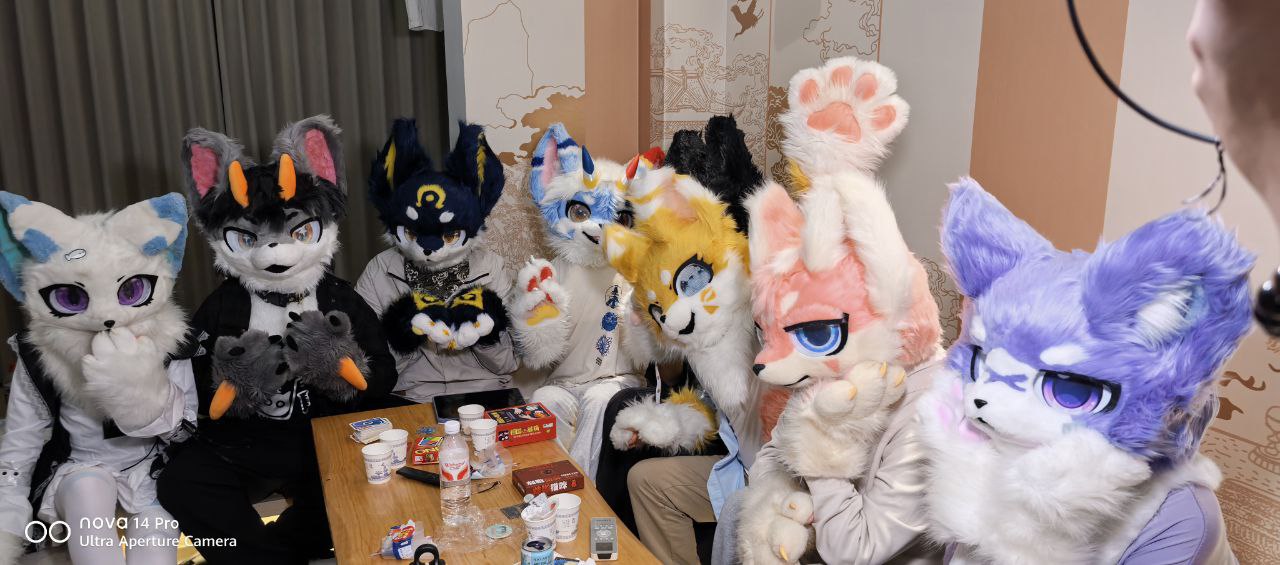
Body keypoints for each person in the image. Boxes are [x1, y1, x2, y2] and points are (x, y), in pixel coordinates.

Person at [158, 116, 397, 564]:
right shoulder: (221, 306)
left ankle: (278, 552)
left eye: (298, 231)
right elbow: (190, 391)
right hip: (249, 442)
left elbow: (384, 373)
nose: (275, 251)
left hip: (328, 435)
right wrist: (236, 381)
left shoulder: (339, 297)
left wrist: (341, 370)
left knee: (371, 477)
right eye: (248, 237)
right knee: (181, 483)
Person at [0, 193, 194, 565]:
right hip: (83, 467)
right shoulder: (41, 350)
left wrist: (142, 396)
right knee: (87, 495)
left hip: (153, 468)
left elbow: (184, 429)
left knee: (156, 546)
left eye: (130, 290)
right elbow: (23, 435)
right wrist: (7, 512)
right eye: (71, 297)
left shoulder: (170, 338)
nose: (106, 315)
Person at [358, 119, 516, 403]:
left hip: (484, 391)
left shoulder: (490, 267)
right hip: (412, 395)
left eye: (450, 235)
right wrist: (405, 334)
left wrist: (484, 333)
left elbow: (507, 364)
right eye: (412, 234)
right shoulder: (379, 270)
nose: (429, 249)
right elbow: (368, 372)